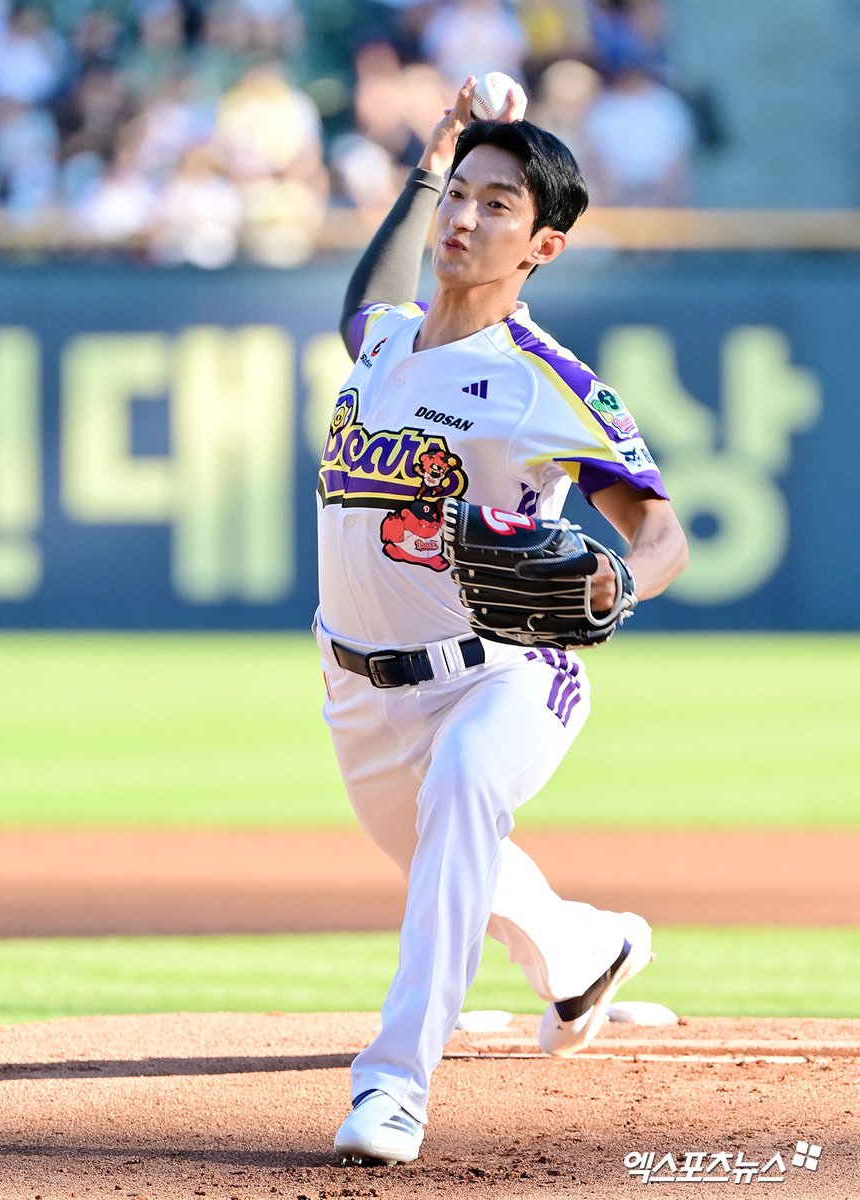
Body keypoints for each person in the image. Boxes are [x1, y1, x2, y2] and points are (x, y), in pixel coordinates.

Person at [314, 76, 688, 1166]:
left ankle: (393, 1083)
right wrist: (434, 149)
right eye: (459, 196)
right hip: (357, 688)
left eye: (498, 207)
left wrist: (621, 579)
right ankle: (586, 956)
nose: (465, 220)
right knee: (457, 863)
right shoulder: (384, 339)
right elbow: (361, 296)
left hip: (503, 671)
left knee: (470, 786)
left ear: (544, 247)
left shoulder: (545, 381)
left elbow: (661, 531)